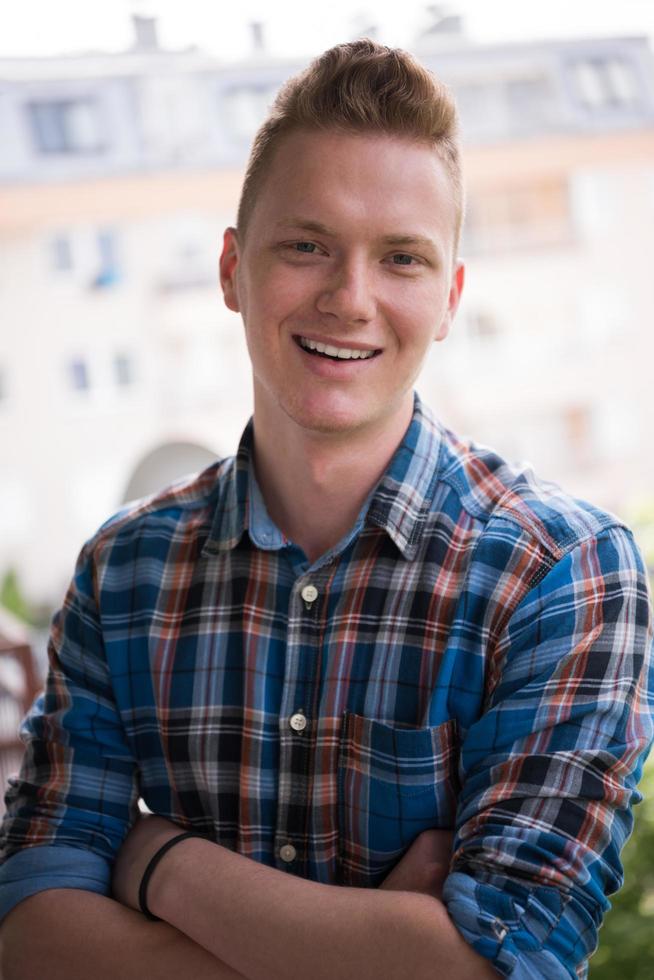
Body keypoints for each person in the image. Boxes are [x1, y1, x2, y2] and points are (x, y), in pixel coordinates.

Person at [0, 39, 652, 980]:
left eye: (401, 258)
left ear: (449, 297)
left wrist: (164, 866)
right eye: (307, 246)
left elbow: (502, 967)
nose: (351, 298)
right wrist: (377, 944)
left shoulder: (563, 575)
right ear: (232, 270)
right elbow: (32, 940)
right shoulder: (123, 574)